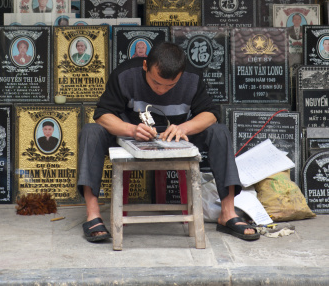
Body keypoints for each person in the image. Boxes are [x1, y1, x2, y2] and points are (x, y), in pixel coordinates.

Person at [77, 42, 259, 242]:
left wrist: (184, 128)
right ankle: (93, 214)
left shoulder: (191, 77)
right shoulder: (125, 75)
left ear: (181, 74)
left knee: (219, 131)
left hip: (175, 133)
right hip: (131, 132)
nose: (161, 90)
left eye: (170, 85)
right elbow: (102, 114)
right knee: (90, 131)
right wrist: (131, 129)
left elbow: (211, 114)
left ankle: (227, 212)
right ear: (145, 66)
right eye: (156, 83)